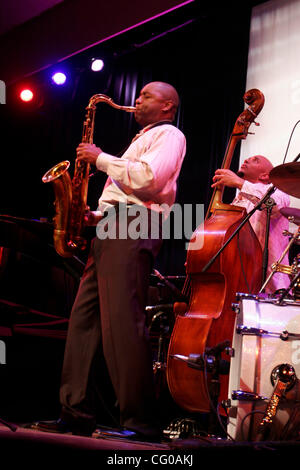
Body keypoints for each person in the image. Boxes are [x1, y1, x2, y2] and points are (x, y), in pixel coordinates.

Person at [33, 81, 186, 440]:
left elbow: (149, 179)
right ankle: (75, 413)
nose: (137, 99)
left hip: (135, 225)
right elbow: (127, 188)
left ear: (168, 106)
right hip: (113, 226)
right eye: (140, 93)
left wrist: (99, 158)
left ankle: (141, 423)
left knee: (122, 323)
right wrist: (96, 216)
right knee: (83, 322)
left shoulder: (169, 134)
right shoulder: (141, 137)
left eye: (147, 95)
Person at [211, 155, 290, 294]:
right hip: (239, 276)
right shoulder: (239, 199)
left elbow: (273, 205)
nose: (246, 160)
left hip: (269, 283)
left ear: (265, 176)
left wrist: (240, 183)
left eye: (255, 160)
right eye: (248, 158)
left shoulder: (279, 191)